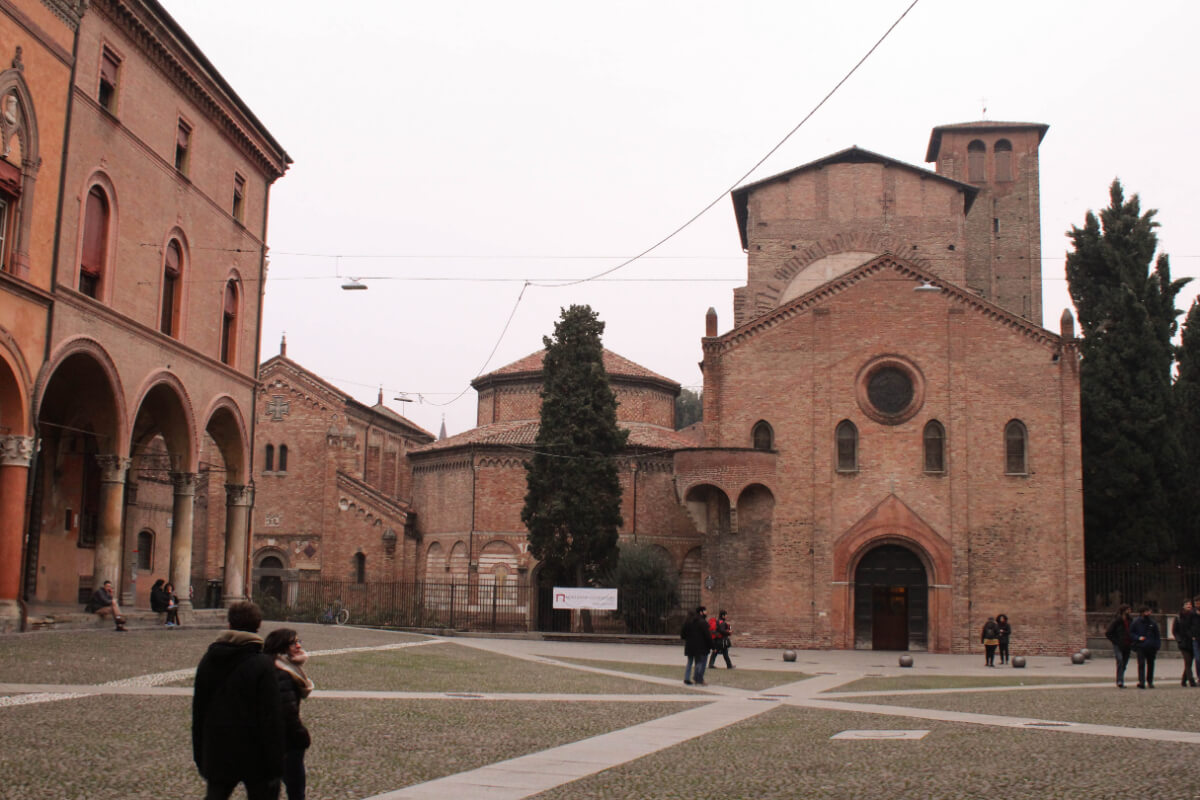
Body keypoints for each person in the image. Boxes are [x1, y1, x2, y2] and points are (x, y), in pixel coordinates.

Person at [192, 601, 285, 800]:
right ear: (258, 627)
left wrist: (200, 755)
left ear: (229, 625)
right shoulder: (263, 665)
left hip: (217, 749)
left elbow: (198, 712)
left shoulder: (209, 660)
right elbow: (272, 718)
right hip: (255, 754)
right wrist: (276, 764)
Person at [263, 629, 313, 800]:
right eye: (293, 643)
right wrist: (302, 736)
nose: (299, 646)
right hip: (286, 741)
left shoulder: (283, 667)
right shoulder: (282, 672)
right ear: (282, 647)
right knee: (295, 790)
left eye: (299, 641)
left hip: (277, 740)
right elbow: (287, 712)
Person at [1130, 605, 1161, 689]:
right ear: (1142, 612)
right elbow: (1131, 633)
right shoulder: (1136, 622)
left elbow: (1157, 635)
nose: (1149, 613)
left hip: (1151, 646)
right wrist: (1138, 638)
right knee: (1141, 664)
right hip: (1141, 646)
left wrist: (1157, 645)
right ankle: (1141, 681)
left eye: (1149, 611)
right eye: (1147, 611)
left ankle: (1150, 681)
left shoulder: (1152, 623)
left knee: (1151, 664)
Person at [680, 606, 710, 686]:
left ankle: (687, 678)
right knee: (698, 662)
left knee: (689, 662)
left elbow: (683, 635)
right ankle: (697, 677)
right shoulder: (698, 622)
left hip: (689, 645)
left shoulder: (686, 622)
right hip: (697, 646)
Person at [1105, 604, 1133, 688]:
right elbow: (1108, 633)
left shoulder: (1130, 620)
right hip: (1118, 644)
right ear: (1124, 610)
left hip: (1127, 644)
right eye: (1128, 609)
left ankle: (1120, 678)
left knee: (1124, 663)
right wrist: (1115, 641)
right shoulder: (1117, 621)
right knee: (1120, 660)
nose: (1130, 611)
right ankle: (1120, 680)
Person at [1172, 600, 1197, 687]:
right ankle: (1191, 680)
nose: (1189, 606)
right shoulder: (1179, 617)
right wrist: (1179, 640)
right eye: (1187, 604)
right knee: (1188, 661)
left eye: (1190, 604)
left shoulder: (1195, 615)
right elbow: (1175, 631)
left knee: (1189, 663)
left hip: (1193, 642)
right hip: (1183, 643)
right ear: (1183, 606)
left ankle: (1183, 680)